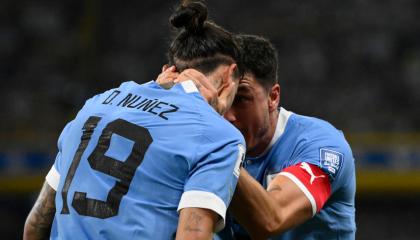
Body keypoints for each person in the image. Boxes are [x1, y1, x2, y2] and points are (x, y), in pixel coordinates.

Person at [23, 1, 246, 239]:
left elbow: (35, 225)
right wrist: (212, 120)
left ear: (168, 69)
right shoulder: (219, 135)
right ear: (229, 76)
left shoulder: (96, 104)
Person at [160, 34, 356, 239]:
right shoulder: (200, 142)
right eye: (216, 99)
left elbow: (272, 220)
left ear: (273, 97)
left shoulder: (321, 145)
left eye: (241, 98)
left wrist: (215, 140)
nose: (225, 115)